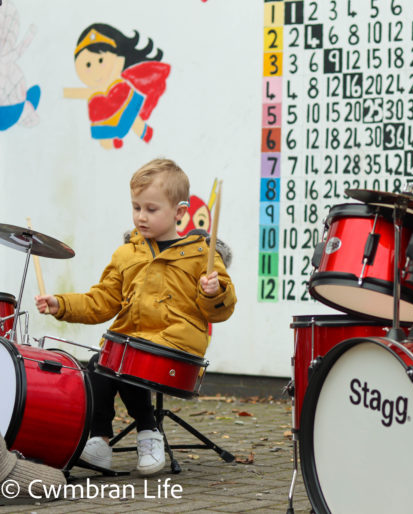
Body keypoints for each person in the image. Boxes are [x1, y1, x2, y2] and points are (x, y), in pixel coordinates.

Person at [35, 158, 237, 476]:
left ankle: (148, 429)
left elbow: (221, 311)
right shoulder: (127, 253)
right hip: (132, 342)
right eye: (136, 207)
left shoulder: (202, 254)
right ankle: (100, 441)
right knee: (103, 360)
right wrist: (61, 304)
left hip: (178, 342)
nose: (141, 217)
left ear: (180, 212)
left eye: (151, 209)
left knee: (127, 357)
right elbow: (101, 301)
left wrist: (213, 292)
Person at [63, 23, 171, 149]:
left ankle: (144, 132)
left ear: (120, 59)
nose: (95, 70)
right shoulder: (94, 92)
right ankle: (110, 142)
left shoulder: (120, 81)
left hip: (124, 104)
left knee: (133, 119)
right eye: (88, 65)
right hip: (103, 117)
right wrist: (62, 92)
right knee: (104, 134)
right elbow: (77, 92)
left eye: (100, 61)